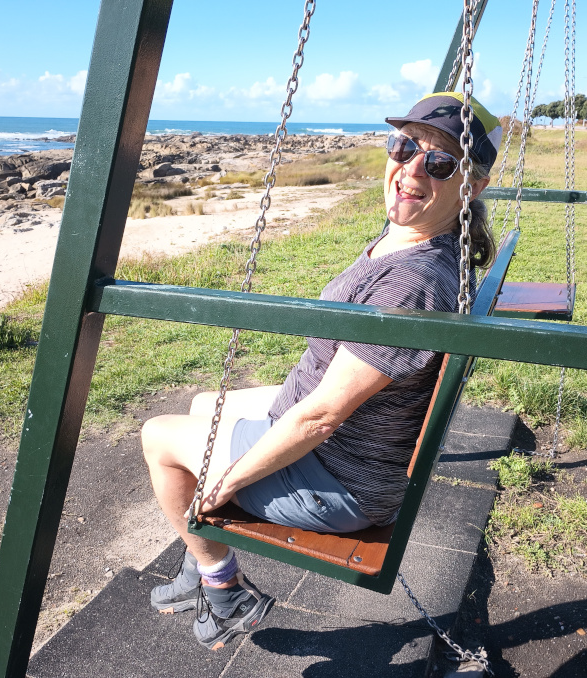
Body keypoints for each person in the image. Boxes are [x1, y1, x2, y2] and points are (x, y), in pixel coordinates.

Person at [141, 92, 502, 651]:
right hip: (347, 445)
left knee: (158, 436)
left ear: (470, 186)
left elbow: (322, 416)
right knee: (199, 407)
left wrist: (229, 482)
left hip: (340, 480)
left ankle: (222, 587)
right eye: (404, 146)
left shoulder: (413, 282)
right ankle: (199, 561)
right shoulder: (412, 241)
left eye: (439, 163)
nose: (410, 169)